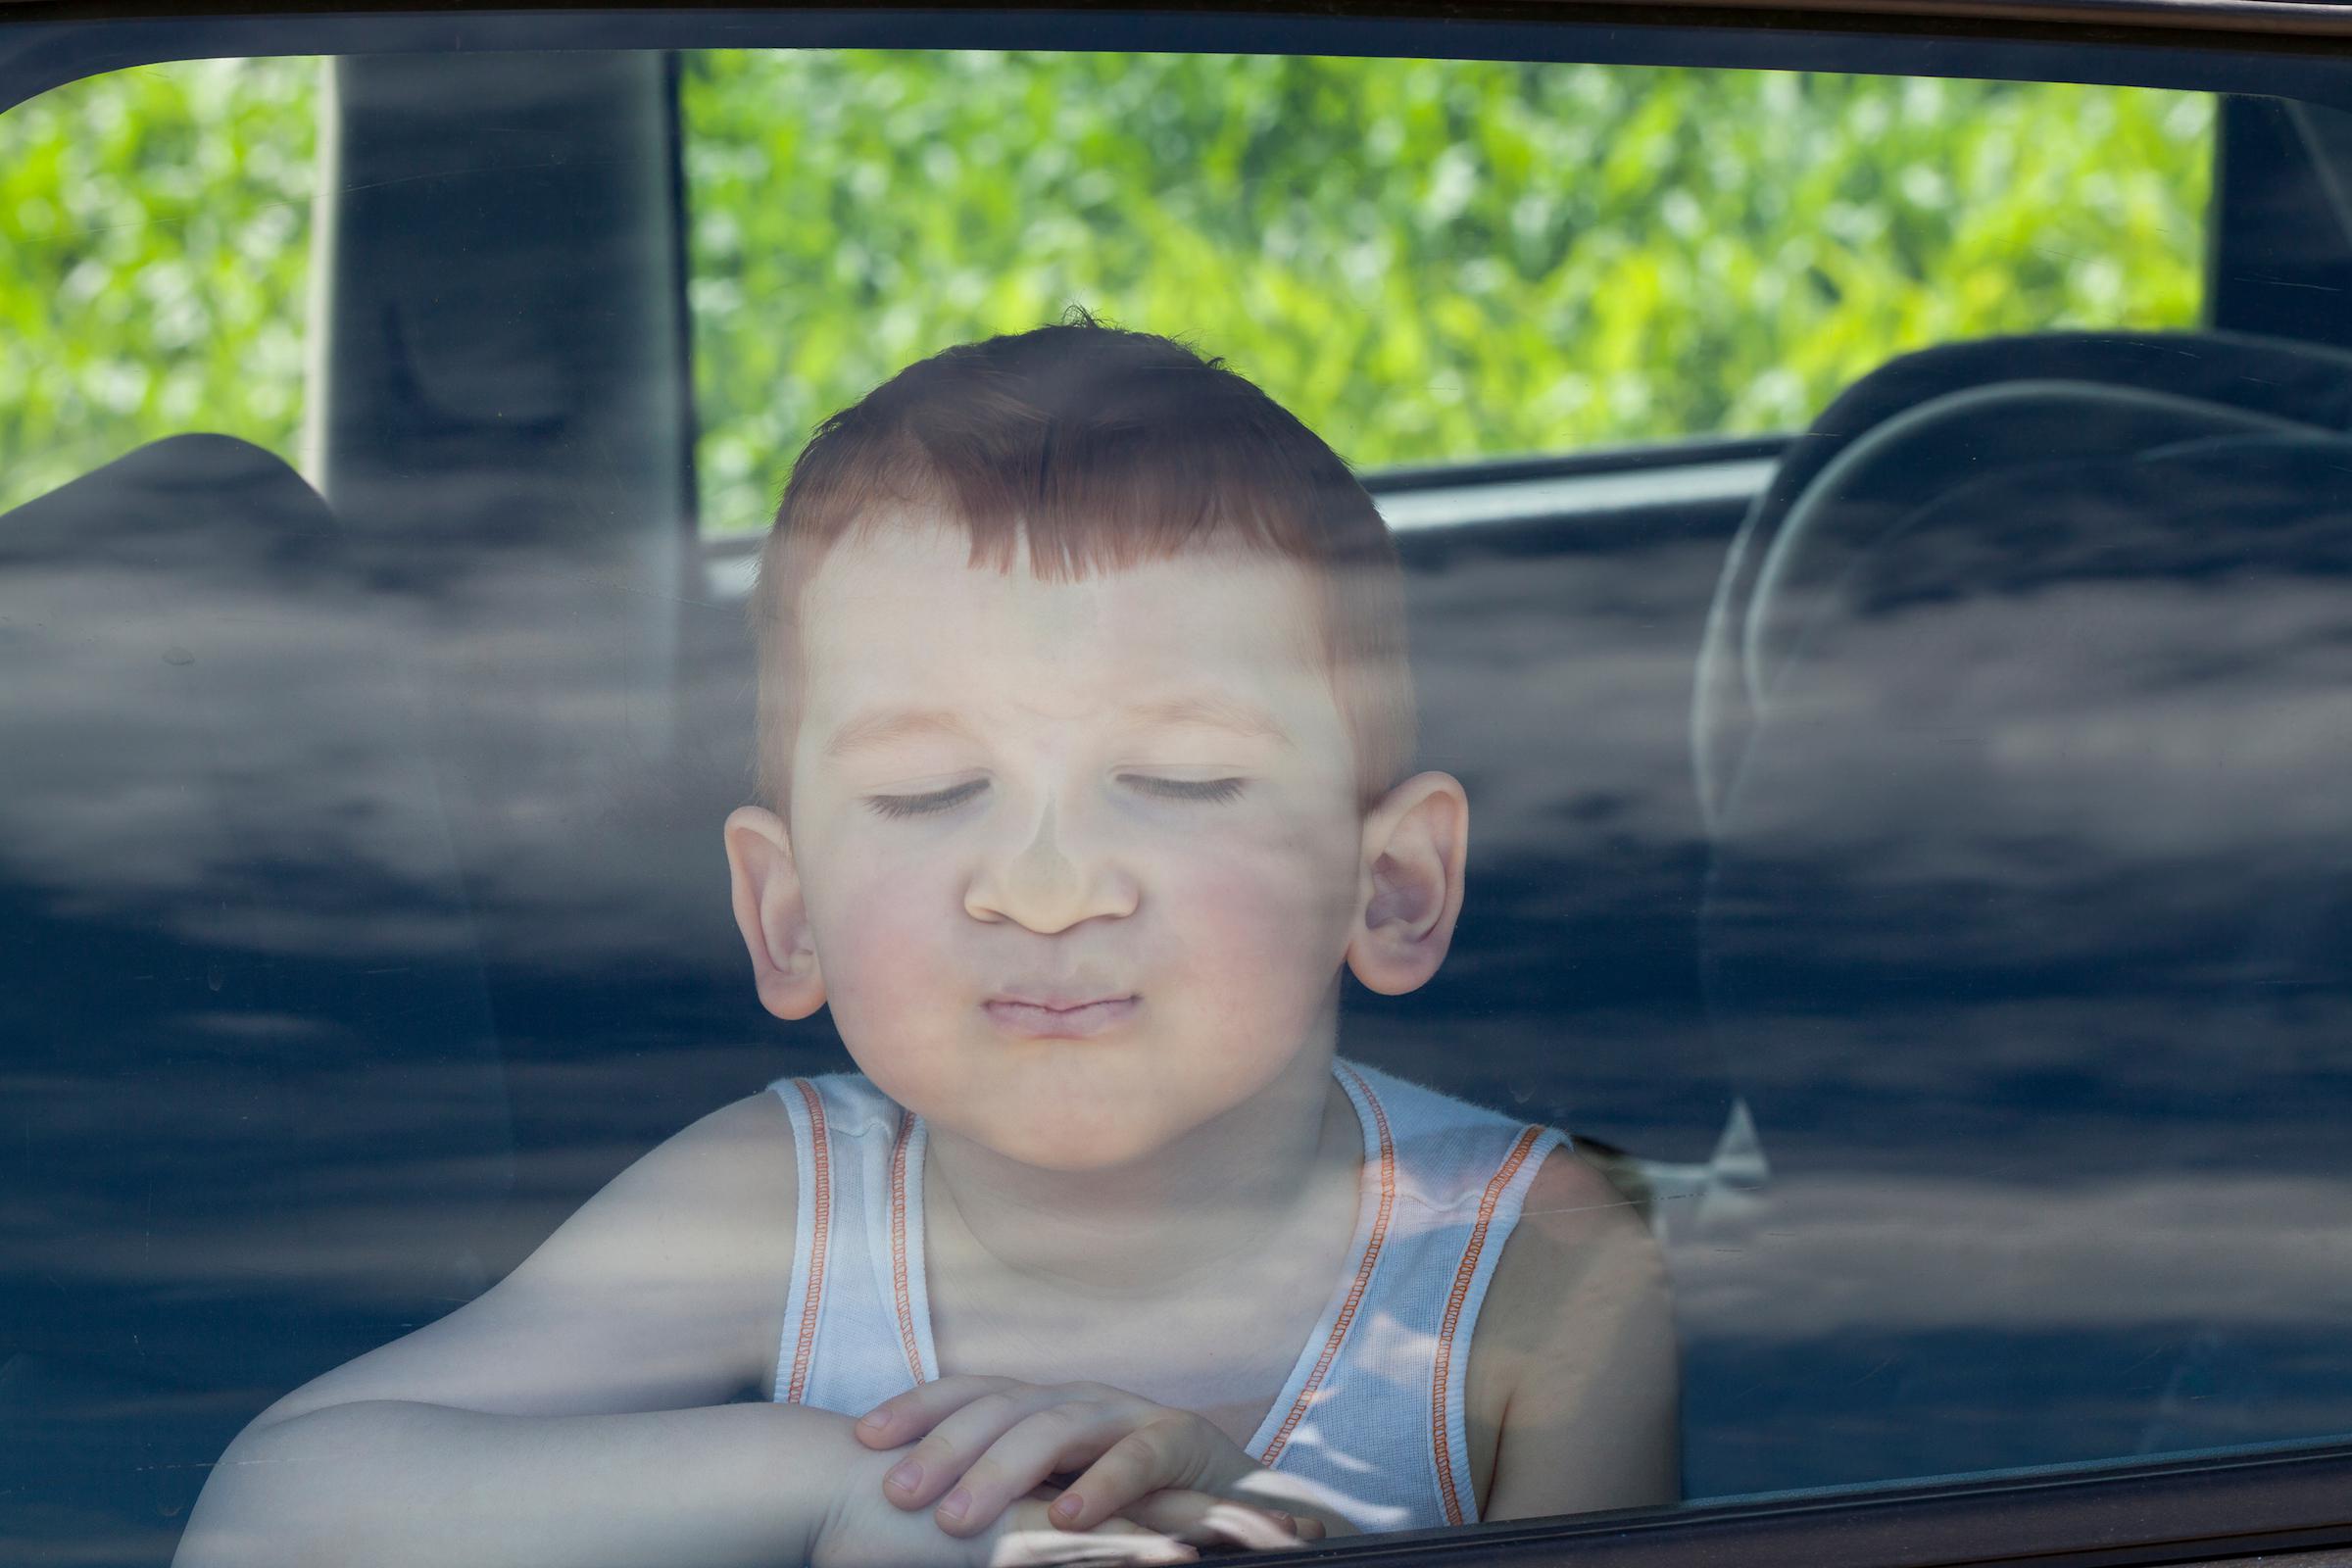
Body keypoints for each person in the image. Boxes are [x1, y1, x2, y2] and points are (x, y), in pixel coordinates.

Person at [174, 318, 1677, 1568]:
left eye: (1180, 781)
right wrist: (841, 1487)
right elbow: (266, 1522)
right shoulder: (785, 1205)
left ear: (1395, 887)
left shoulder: (1535, 1271)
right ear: (787, 912)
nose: (1042, 883)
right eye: (927, 792)